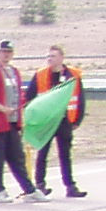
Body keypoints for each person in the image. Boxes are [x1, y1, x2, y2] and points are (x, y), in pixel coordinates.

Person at [0, 39, 42, 203]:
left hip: (12, 121)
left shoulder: (14, 72)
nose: (6, 55)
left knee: (16, 156)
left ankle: (29, 190)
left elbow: (18, 94)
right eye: (3, 52)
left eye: (9, 52)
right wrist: (2, 108)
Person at [28, 44, 88, 198]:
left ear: (61, 58)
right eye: (48, 56)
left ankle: (70, 186)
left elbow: (80, 99)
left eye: (53, 56)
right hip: (46, 121)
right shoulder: (40, 75)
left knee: (65, 154)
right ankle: (40, 185)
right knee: (42, 153)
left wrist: (77, 120)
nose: (49, 59)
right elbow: (29, 97)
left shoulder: (73, 75)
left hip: (64, 121)